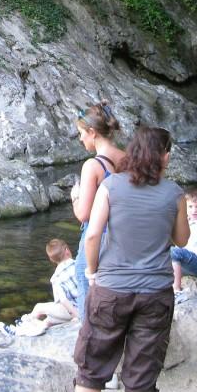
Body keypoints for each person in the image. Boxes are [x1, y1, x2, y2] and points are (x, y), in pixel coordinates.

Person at [74, 126, 189, 392]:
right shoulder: (175, 193)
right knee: (141, 369)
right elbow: (182, 240)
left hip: (111, 289)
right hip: (156, 293)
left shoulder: (111, 186)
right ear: (164, 156)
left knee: (93, 362)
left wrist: (92, 272)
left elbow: (92, 234)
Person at [71, 101, 126, 320]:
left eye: (81, 133)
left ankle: (89, 345)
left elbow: (84, 214)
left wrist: (75, 197)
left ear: (92, 132)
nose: (80, 138)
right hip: (124, 237)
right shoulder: (129, 159)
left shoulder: (93, 166)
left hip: (98, 239)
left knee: (87, 290)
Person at [0, 238, 79, 335]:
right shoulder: (79, 265)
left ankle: (22, 326)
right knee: (49, 320)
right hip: (86, 307)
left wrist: (78, 317)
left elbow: (62, 301)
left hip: (76, 311)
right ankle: (28, 330)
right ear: (67, 250)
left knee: (39, 307)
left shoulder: (56, 278)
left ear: (51, 259)